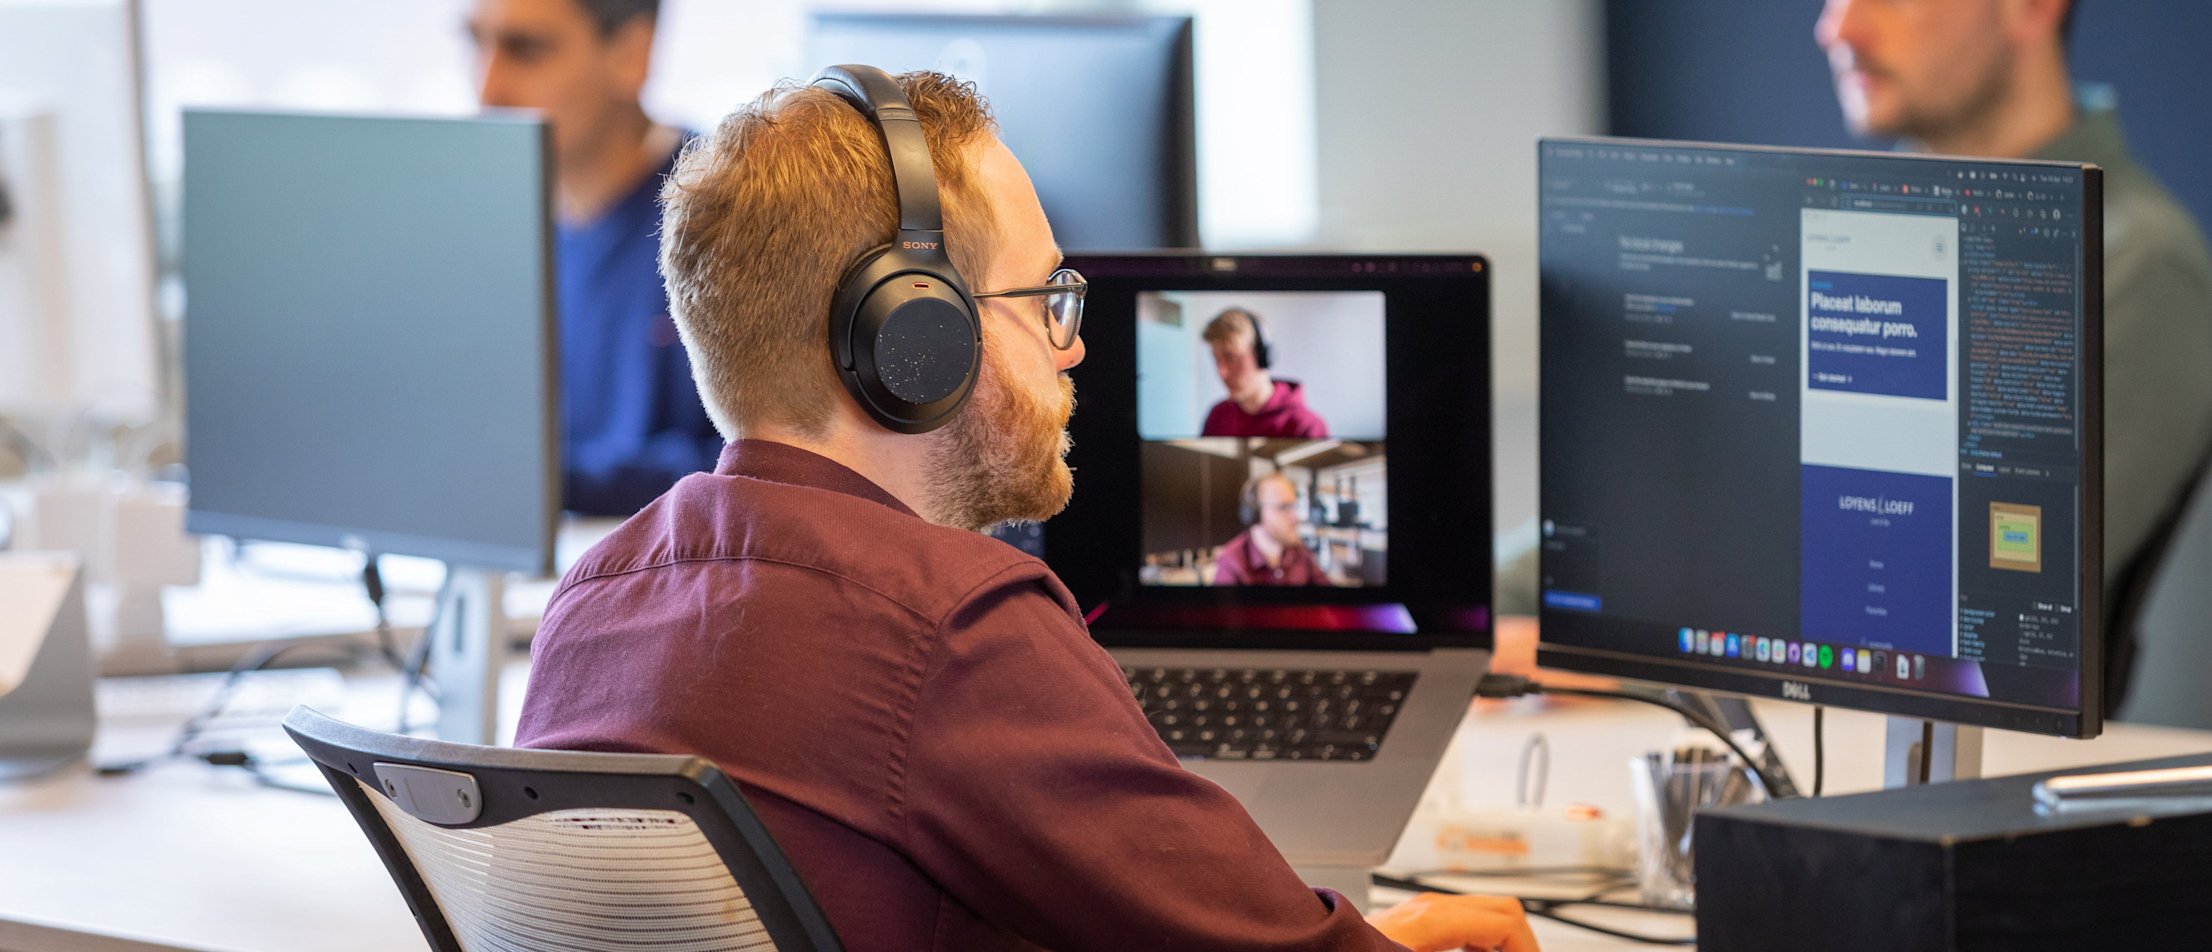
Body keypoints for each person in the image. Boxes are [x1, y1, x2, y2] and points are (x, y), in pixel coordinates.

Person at [515, 71, 1536, 952]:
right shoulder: (953, 628)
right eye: (1045, 298)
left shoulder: (591, 600)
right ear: (916, 340)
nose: (1072, 345)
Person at [1815, 0, 2212, 593]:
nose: (1838, 29)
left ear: (2031, 8)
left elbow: (2001, 588)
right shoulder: (1852, 239)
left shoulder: (2137, 269)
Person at [469, 0, 721, 515]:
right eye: (476, 42)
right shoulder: (481, 220)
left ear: (632, 54)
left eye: (526, 50)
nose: (487, 89)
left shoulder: (734, 217)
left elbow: (768, 466)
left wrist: (544, 481)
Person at [1200, 308, 1331, 438]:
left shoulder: (1306, 426)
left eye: (1231, 358)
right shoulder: (1217, 417)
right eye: (1216, 359)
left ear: (1262, 356)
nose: (1221, 373)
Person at [1216, 472, 1333, 587]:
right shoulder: (1232, 562)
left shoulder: (1301, 553)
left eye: (1294, 506)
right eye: (1284, 507)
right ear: (1255, 514)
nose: (1296, 516)